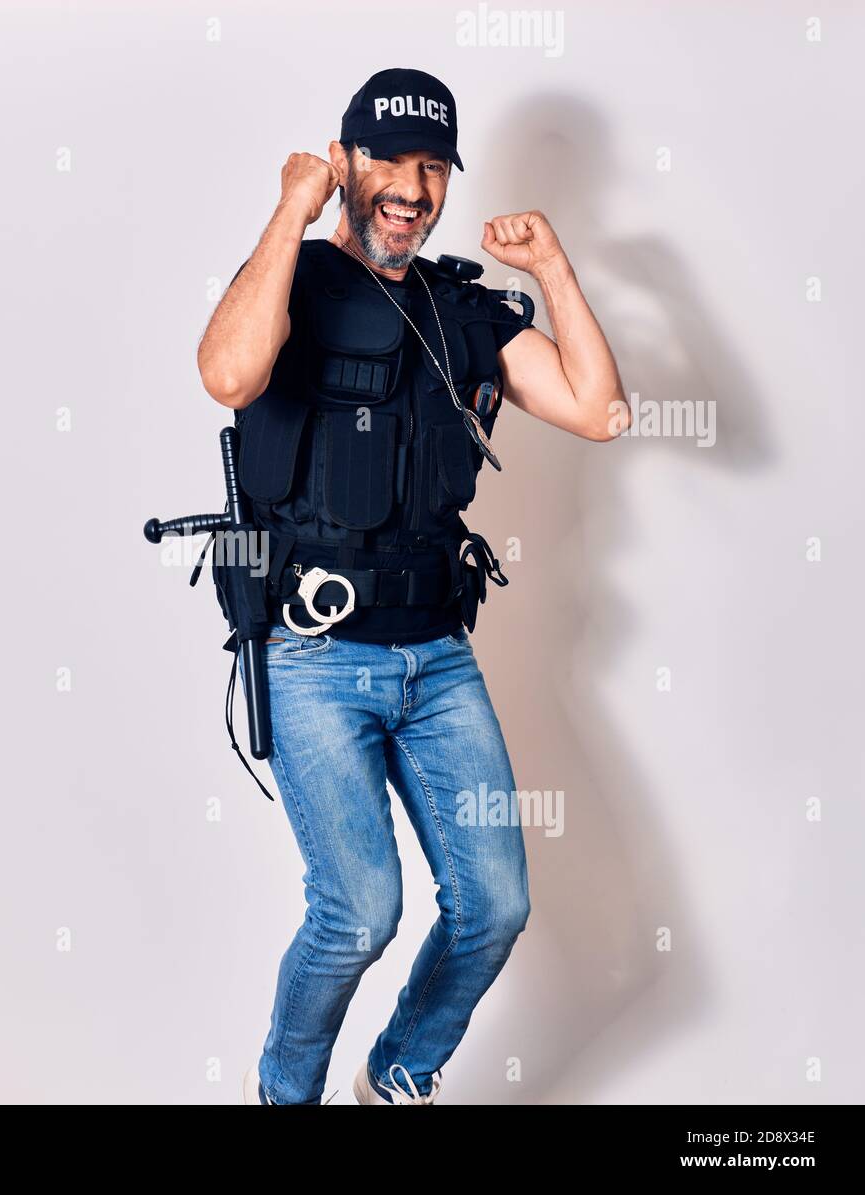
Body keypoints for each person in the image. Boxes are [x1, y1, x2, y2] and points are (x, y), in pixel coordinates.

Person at [196, 68, 630, 1105]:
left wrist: (558, 268)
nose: (411, 186)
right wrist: (289, 210)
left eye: (432, 166)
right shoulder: (287, 276)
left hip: (436, 658)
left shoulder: (458, 309)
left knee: (494, 903)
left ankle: (395, 1073)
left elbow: (596, 410)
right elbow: (228, 375)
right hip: (312, 655)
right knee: (358, 913)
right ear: (346, 163)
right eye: (387, 160)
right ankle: (284, 1096)